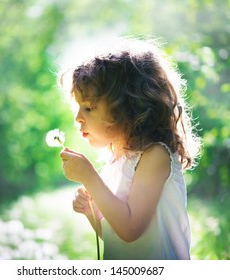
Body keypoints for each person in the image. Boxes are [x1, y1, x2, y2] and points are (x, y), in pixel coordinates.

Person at [58, 37, 201, 260]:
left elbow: (130, 229)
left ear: (126, 107)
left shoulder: (155, 156)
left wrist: (90, 178)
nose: (77, 118)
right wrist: (91, 212)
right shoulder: (117, 161)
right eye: (77, 108)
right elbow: (117, 235)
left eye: (88, 108)